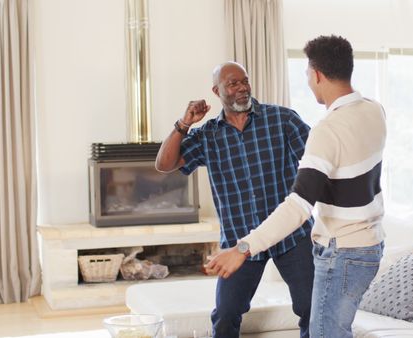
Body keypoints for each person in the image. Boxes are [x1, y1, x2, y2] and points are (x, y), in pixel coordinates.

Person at [206, 35, 387, 338]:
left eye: (306, 73)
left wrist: (243, 247)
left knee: (324, 333)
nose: (307, 80)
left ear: (317, 75)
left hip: (342, 249)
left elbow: (299, 206)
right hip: (371, 246)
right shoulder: (374, 110)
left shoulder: (326, 130)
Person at [155, 61, 314, 338]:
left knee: (311, 307)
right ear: (217, 91)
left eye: (245, 81)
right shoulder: (207, 136)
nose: (242, 88)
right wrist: (184, 124)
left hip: (290, 234)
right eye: (233, 83)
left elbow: (318, 159)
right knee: (226, 314)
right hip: (239, 242)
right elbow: (164, 164)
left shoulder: (282, 119)